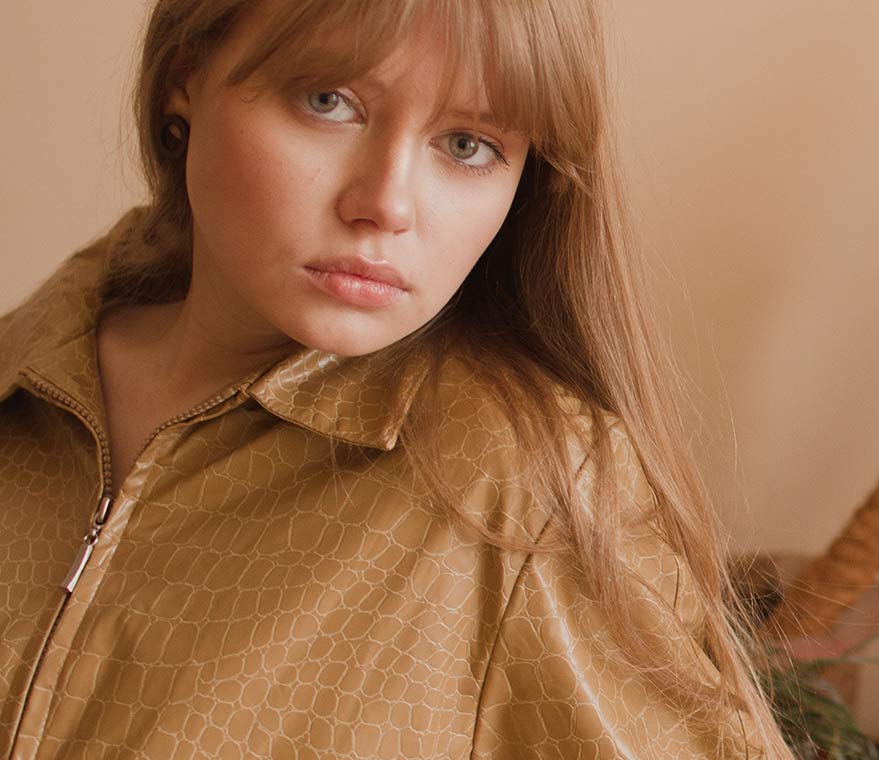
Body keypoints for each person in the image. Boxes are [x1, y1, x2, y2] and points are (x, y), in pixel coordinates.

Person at [0, 0, 795, 757]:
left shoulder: (527, 490)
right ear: (185, 77)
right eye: (328, 102)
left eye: (467, 145)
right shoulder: (24, 378)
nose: (385, 203)